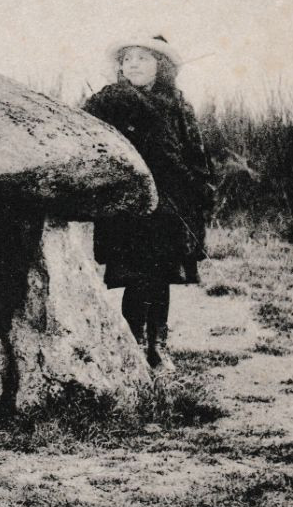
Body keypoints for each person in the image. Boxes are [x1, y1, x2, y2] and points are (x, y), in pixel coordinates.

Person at [82, 34, 216, 368]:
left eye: (143, 58)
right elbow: (88, 136)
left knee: (161, 274)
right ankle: (134, 345)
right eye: (128, 59)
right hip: (131, 204)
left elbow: (194, 152)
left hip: (171, 205)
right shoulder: (108, 101)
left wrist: (198, 190)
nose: (134, 64)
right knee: (137, 274)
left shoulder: (177, 104)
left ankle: (158, 344)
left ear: (160, 65)